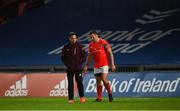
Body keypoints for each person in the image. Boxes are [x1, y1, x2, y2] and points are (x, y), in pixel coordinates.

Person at [83, 30, 116, 102]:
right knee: (98, 81)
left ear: (96, 35)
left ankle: (110, 94)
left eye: (93, 37)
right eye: (91, 38)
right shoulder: (91, 45)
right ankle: (99, 98)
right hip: (96, 66)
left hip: (104, 64)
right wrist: (86, 65)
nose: (92, 39)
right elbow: (90, 56)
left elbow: (110, 53)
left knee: (104, 80)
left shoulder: (103, 42)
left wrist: (112, 64)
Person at [61, 32, 86, 103]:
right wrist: (67, 64)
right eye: (72, 38)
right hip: (69, 69)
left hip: (78, 69)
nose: (74, 39)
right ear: (69, 38)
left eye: (75, 38)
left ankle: (82, 97)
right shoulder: (65, 47)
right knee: (70, 84)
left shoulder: (80, 46)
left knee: (79, 83)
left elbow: (84, 56)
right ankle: (71, 99)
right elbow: (63, 58)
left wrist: (79, 63)